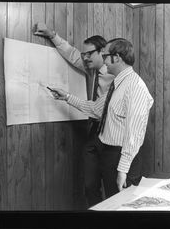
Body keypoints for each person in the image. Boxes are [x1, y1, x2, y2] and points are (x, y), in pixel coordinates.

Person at [49, 38, 154, 206]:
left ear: (117, 57)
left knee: (123, 208)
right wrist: (67, 97)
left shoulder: (135, 87)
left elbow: (135, 133)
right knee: (113, 204)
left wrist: (123, 170)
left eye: (106, 56)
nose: (104, 61)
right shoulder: (118, 84)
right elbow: (96, 109)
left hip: (122, 158)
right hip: (110, 155)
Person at [33, 23, 114, 207]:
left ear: (103, 52)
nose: (84, 58)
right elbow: (71, 53)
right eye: (84, 55)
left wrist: (67, 97)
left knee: (112, 189)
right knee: (90, 186)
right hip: (94, 134)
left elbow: (97, 110)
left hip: (113, 137)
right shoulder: (91, 68)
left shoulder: (116, 75)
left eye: (88, 54)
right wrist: (52, 35)